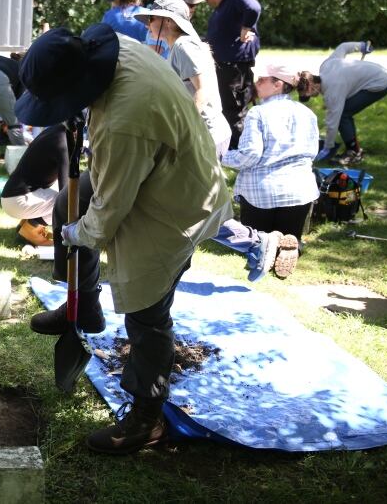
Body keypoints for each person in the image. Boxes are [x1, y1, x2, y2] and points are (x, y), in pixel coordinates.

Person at [16, 23, 232, 454]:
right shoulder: (114, 51)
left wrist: (81, 234)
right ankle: (83, 303)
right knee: (65, 206)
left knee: (146, 311)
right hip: (152, 165)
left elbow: (109, 212)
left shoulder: (125, 122)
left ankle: (146, 417)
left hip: (175, 203)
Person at [137, 0, 296, 281]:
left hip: (203, 134)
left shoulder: (184, 46)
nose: (148, 23)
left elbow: (204, 90)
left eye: (152, 18)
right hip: (205, 133)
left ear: (168, 22)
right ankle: (248, 244)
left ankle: (256, 243)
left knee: (189, 204)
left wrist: (183, 131)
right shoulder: (180, 47)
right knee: (184, 202)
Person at [222, 64, 318, 275]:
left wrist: (220, 156)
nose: (256, 83)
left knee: (257, 241)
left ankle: (267, 248)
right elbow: (313, 151)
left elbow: (249, 155)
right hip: (300, 191)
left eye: (262, 80)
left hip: (262, 193)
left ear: (278, 85)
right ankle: (289, 246)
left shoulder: (258, 112)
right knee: (288, 234)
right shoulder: (307, 113)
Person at [298, 42, 387, 165]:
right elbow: (343, 47)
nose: (309, 96)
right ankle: (353, 148)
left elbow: (333, 122)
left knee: (343, 114)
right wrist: (362, 46)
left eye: (307, 94)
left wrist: (328, 147)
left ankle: (354, 153)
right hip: (380, 72)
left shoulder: (332, 91)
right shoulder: (326, 65)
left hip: (380, 83)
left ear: (311, 86)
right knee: (344, 111)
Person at [196, 0, 261, 150]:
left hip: (234, 66)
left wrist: (246, 28)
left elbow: (254, 8)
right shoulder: (226, 2)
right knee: (227, 107)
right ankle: (231, 147)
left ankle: (237, 149)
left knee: (234, 109)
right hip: (226, 64)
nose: (208, 4)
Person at [1, 123, 69, 246]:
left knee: (67, 194)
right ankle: (30, 228)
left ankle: (27, 223)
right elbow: (67, 191)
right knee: (70, 199)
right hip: (17, 200)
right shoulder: (63, 141)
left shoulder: (55, 130)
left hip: (14, 197)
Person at [101, 0, 167, 57]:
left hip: (117, 65)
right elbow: (158, 49)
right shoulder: (149, 15)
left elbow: (102, 45)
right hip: (144, 65)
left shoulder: (109, 16)